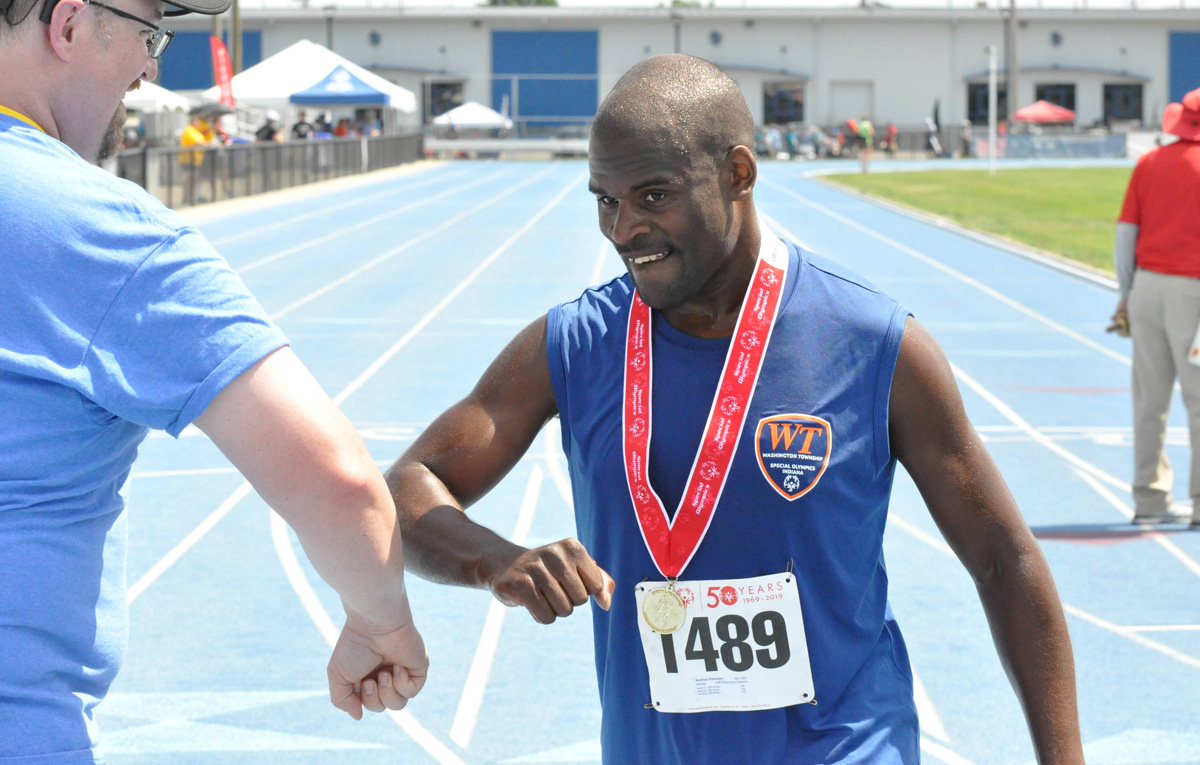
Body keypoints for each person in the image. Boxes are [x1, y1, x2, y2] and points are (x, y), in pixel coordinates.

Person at [385, 55, 1082, 764]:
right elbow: (407, 486)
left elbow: (1004, 557)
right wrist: (495, 560)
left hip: (845, 744)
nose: (623, 229)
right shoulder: (575, 346)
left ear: (737, 174)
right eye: (605, 200)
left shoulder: (873, 344)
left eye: (653, 197)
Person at [0, 0, 427, 759]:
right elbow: (338, 484)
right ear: (67, 25)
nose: (150, 67)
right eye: (147, 32)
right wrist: (381, 621)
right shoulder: (100, 233)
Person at [1109, 86, 1200, 528]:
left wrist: (1127, 293)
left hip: (1147, 289)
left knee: (1150, 399)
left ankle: (1149, 497)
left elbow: (1125, 235)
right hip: (1194, 294)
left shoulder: (1149, 163)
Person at [178, 109, 216, 203]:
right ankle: (187, 198)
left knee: (195, 179)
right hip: (188, 161)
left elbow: (206, 139)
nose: (199, 123)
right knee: (189, 179)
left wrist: (210, 131)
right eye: (197, 121)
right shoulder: (189, 130)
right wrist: (210, 143)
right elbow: (200, 142)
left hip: (195, 161)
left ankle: (194, 196)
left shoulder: (196, 131)